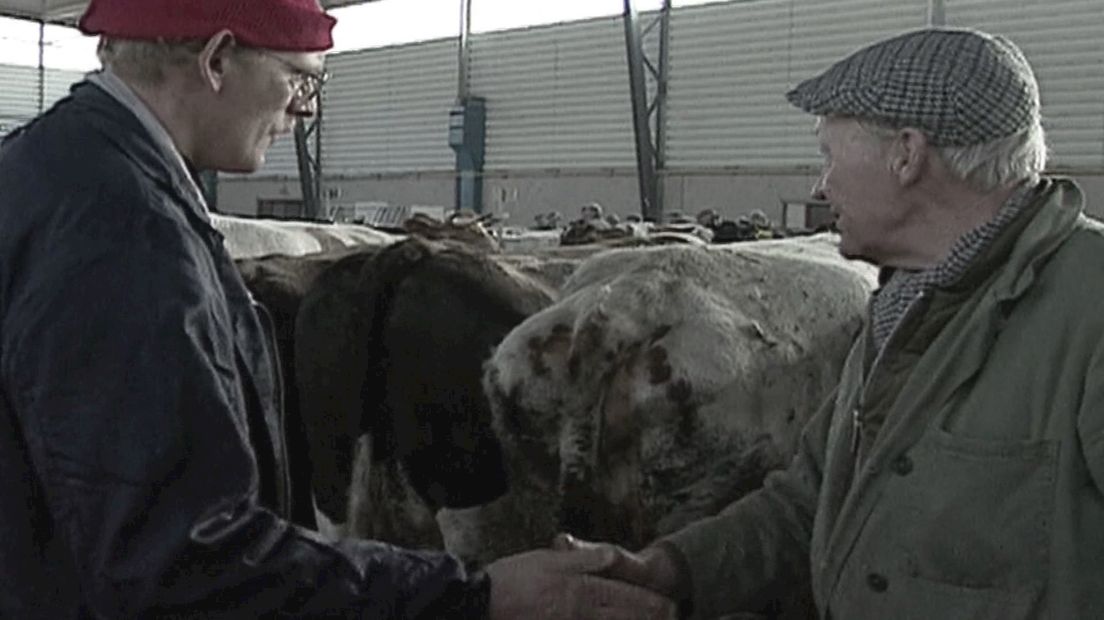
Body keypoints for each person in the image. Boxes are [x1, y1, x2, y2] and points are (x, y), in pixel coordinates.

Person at [0, 1, 676, 618]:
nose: (304, 110)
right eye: (301, 79)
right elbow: (181, 564)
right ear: (215, 61)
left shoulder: (48, 169)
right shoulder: (125, 235)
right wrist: (476, 598)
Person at [557, 27, 1104, 618]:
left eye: (829, 154)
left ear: (907, 154)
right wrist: (667, 569)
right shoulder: (906, 302)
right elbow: (810, 502)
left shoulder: (1088, 306)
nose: (820, 185)